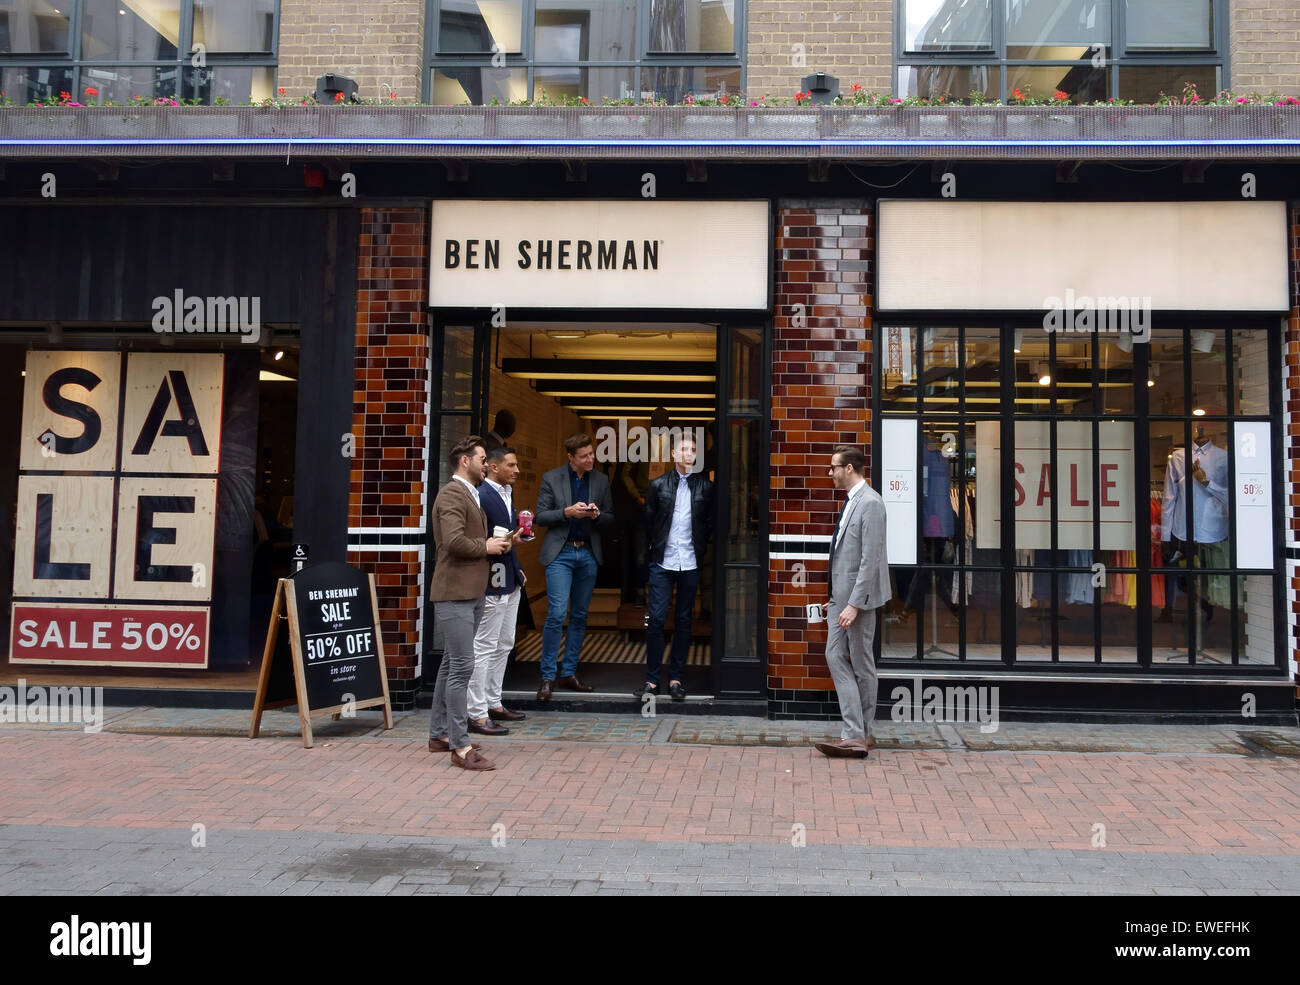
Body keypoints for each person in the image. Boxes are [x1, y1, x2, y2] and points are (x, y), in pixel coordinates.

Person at [428, 435, 512, 771]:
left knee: (451, 665)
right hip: (454, 594)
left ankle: (439, 735)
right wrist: (487, 546)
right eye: (480, 459)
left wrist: (498, 543)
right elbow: (453, 542)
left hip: (470, 592)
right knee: (463, 667)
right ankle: (460, 747)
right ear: (465, 461)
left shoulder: (469, 493)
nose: (485, 464)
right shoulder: (451, 493)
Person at [815, 444, 890, 759]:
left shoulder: (871, 503)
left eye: (834, 467)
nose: (830, 473)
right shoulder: (851, 502)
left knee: (861, 664)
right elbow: (845, 557)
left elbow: (869, 560)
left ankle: (860, 734)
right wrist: (834, 598)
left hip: (858, 602)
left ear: (850, 468)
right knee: (835, 656)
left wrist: (853, 603)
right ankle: (857, 732)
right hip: (840, 600)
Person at [533, 433, 615, 701]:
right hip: (561, 553)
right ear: (571, 458)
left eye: (592, 454)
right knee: (556, 613)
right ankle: (547, 676)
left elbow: (611, 518)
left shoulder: (601, 480)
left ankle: (568, 673)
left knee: (579, 615)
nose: (591, 459)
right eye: (584, 456)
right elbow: (540, 516)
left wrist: (597, 514)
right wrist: (567, 513)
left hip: (588, 553)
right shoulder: (552, 478)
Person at [636, 434, 713, 703]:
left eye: (692, 449)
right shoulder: (658, 485)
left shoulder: (705, 487)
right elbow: (648, 524)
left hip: (690, 562)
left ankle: (676, 678)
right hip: (662, 561)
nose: (688, 453)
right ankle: (652, 679)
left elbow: (709, 524)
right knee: (656, 620)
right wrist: (648, 557)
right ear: (673, 453)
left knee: (683, 621)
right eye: (683, 448)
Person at [466, 445, 528, 736]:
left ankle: (494, 702)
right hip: (491, 581)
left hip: (510, 578)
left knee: (505, 643)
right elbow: (482, 540)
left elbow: (505, 537)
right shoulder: (481, 495)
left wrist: (516, 564)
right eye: (511, 465)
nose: (517, 470)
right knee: (485, 645)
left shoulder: (506, 492)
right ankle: (475, 713)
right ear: (492, 466)